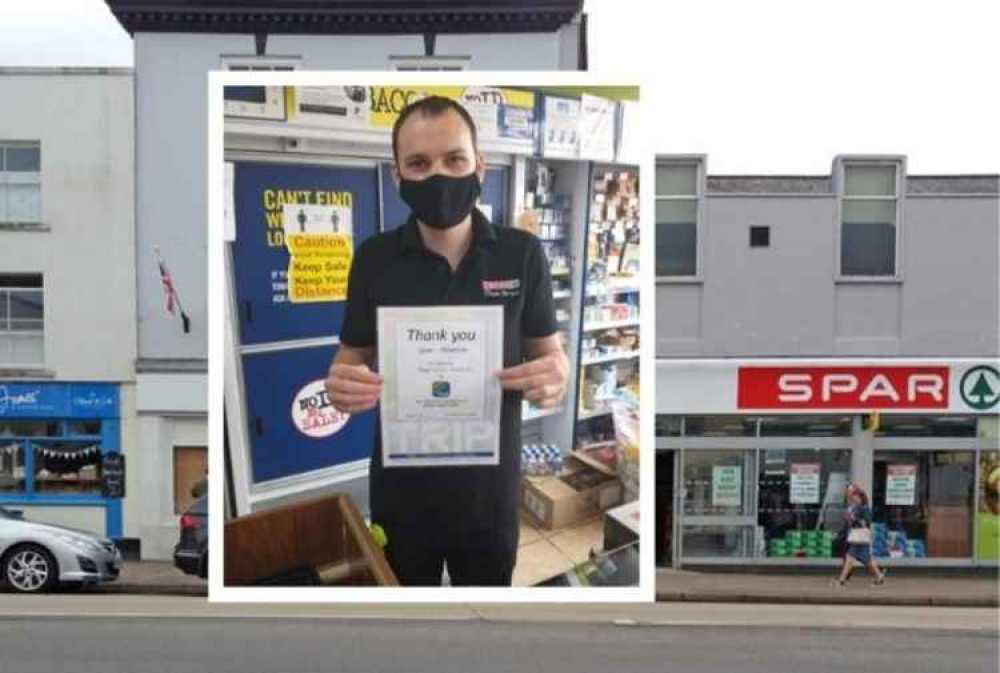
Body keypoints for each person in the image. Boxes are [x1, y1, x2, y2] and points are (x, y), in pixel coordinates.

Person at [324, 95, 569, 587]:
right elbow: (348, 361)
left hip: (489, 496)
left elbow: (550, 356)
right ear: (398, 177)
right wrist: (339, 387)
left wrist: (556, 376)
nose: (438, 175)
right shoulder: (373, 260)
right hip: (402, 496)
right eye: (418, 163)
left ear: (478, 166)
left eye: (454, 159)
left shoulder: (521, 256)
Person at [832, 483, 886, 587]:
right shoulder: (857, 508)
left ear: (861, 498)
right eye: (853, 498)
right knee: (867, 560)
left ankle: (841, 580)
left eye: (856, 498)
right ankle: (879, 577)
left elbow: (865, 523)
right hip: (858, 537)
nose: (854, 499)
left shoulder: (865, 508)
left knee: (849, 558)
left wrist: (853, 518)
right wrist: (849, 517)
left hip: (859, 537)